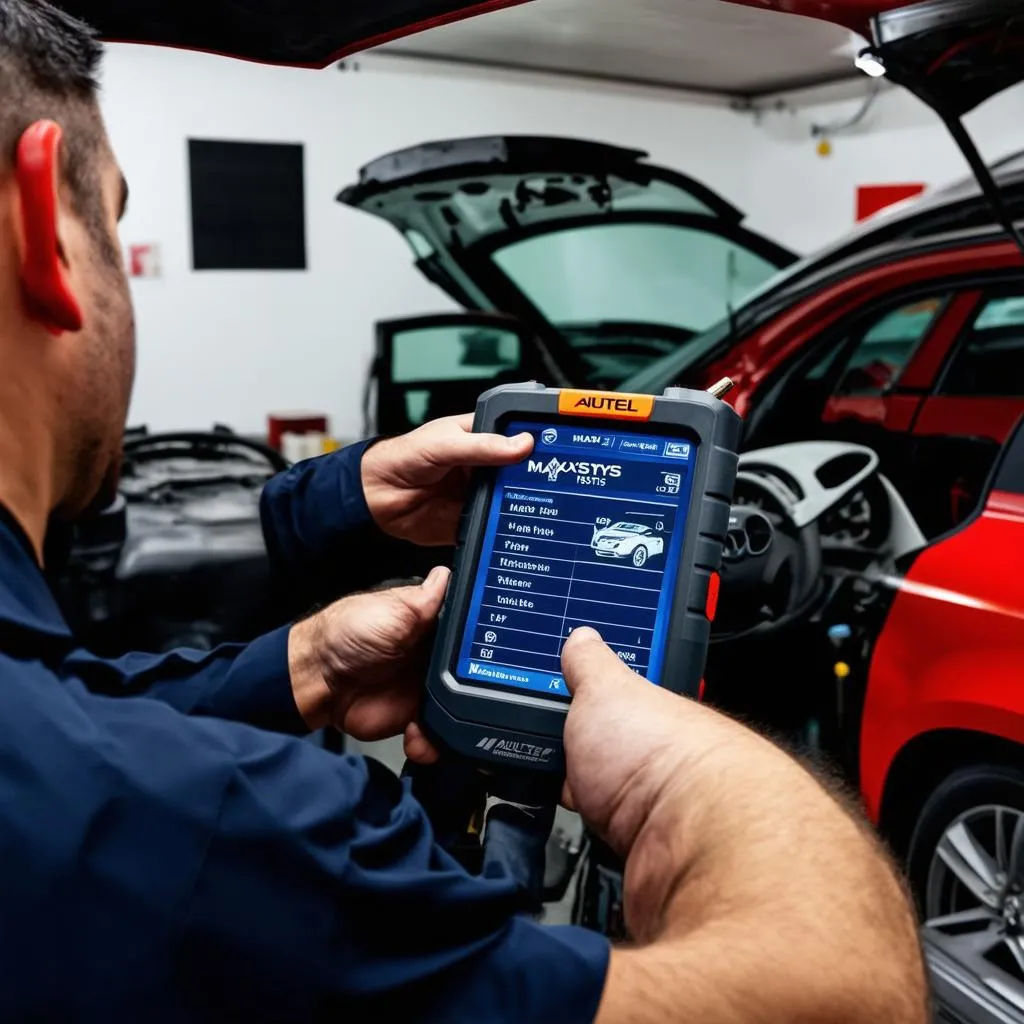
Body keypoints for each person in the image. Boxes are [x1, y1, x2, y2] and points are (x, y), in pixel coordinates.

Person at [0, 2, 929, 1021]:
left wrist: (306, 654)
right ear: (42, 218)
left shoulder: (76, 769)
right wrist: (700, 765)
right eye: (114, 220)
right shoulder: (237, 831)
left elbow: (55, 710)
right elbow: (842, 997)